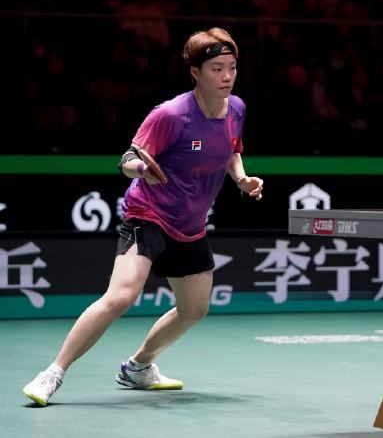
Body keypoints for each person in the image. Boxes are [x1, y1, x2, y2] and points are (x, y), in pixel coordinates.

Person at [23, 27, 264, 406]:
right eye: (217, 69)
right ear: (195, 73)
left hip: (190, 226)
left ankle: (138, 366)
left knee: (194, 309)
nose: (227, 76)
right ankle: (53, 372)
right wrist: (142, 170)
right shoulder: (171, 115)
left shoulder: (236, 109)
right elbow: (127, 160)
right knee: (121, 296)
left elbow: (232, 150)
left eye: (232, 67)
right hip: (148, 216)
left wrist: (242, 179)